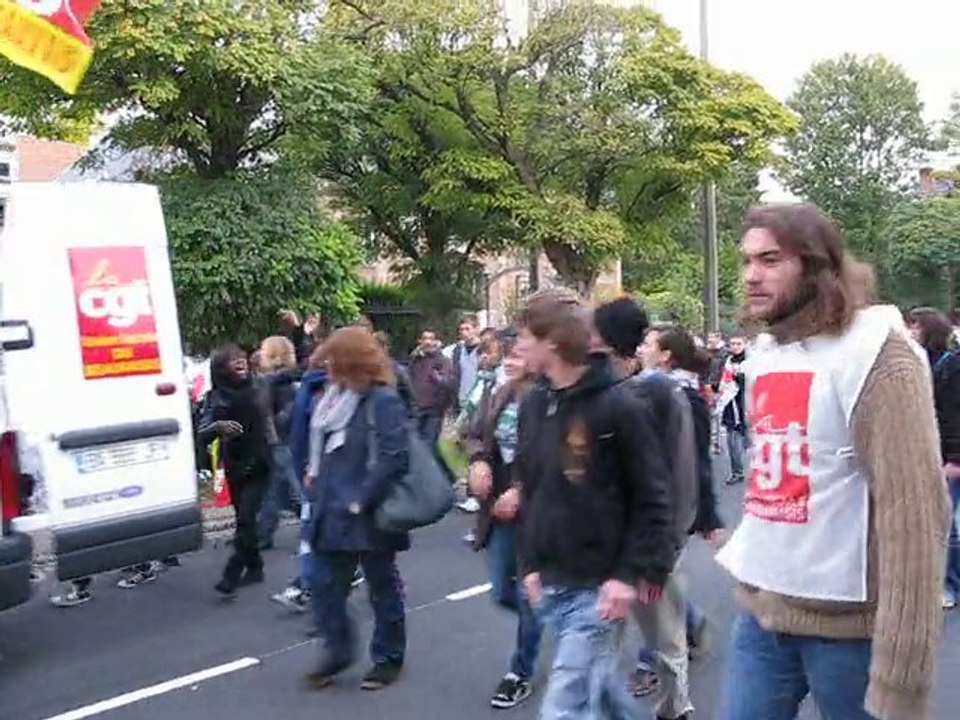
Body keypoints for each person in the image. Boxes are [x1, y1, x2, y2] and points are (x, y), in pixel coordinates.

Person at [715, 204, 950, 720]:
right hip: (763, 618)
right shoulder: (767, 353)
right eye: (747, 260)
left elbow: (914, 519)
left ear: (816, 265)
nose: (751, 275)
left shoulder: (878, 356)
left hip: (849, 635)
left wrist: (901, 678)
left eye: (771, 259)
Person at [513, 291, 676, 720]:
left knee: (564, 708)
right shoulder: (534, 404)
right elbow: (533, 489)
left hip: (598, 589)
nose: (518, 347)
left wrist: (628, 576)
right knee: (601, 697)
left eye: (525, 336)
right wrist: (529, 563)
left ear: (552, 342)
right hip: (553, 581)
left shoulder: (620, 407)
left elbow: (653, 496)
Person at [591, 300, 708, 720]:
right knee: (598, 643)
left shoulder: (660, 393)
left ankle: (675, 710)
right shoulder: (593, 392)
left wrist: (662, 553)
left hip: (650, 545)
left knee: (667, 641)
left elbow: (681, 476)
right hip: (605, 549)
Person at [304, 326, 410, 692]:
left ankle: (388, 658)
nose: (328, 365)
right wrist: (314, 472)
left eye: (334, 359)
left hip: (367, 511)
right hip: (330, 508)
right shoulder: (333, 397)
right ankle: (339, 650)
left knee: (382, 587)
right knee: (323, 586)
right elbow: (320, 439)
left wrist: (362, 498)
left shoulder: (383, 400)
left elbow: (396, 458)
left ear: (351, 362)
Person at [465, 331, 543, 709]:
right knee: (500, 590)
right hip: (497, 509)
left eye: (517, 355)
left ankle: (520, 672)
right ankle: (551, 616)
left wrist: (522, 488)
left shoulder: (548, 396)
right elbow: (477, 434)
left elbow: (559, 458)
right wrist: (478, 460)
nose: (510, 362)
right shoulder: (501, 392)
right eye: (507, 356)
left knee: (529, 597)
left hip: (538, 514)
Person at [197, 344, 271, 597]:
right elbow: (201, 433)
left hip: (261, 461)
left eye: (242, 358)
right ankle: (255, 567)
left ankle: (232, 574)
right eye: (233, 361)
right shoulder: (215, 397)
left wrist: (299, 335)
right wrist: (218, 426)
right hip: (235, 464)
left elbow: (293, 370)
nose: (240, 363)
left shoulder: (260, 385)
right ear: (221, 368)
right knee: (244, 520)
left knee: (246, 519)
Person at [907, 307, 960, 610]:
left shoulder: (949, 365)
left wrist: (954, 459)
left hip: (950, 455)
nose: (911, 331)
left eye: (915, 326)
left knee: (946, 523)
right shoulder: (928, 362)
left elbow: (953, 416)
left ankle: (947, 585)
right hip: (939, 452)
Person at [257, 336, 302, 550]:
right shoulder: (279, 380)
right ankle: (263, 534)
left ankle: (264, 534)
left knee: (283, 489)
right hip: (284, 439)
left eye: (264, 351)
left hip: (280, 440)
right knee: (283, 488)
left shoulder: (274, 380)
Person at [408, 328, 455, 447]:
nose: (428, 342)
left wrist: (438, 379)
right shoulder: (415, 360)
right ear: (419, 341)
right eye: (425, 339)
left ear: (436, 341)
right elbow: (409, 380)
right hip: (416, 409)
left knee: (429, 446)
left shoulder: (443, 361)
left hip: (434, 411)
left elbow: (448, 384)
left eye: (431, 339)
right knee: (414, 445)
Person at [715, 336, 748, 485]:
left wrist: (739, 377)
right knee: (732, 441)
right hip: (731, 406)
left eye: (738, 343)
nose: (735, 346)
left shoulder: (752, 361)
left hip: (747, 405)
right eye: (732, 344)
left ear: (745, 344)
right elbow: (720, 379)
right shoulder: (726, 361)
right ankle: (737, 472)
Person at [450, 313, 483, 414]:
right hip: (461, 401)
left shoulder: (484, 349)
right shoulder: (457, 350)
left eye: (467, 329)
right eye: (461, 329)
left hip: (479, 402)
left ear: (477, 329)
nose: (464, 333)